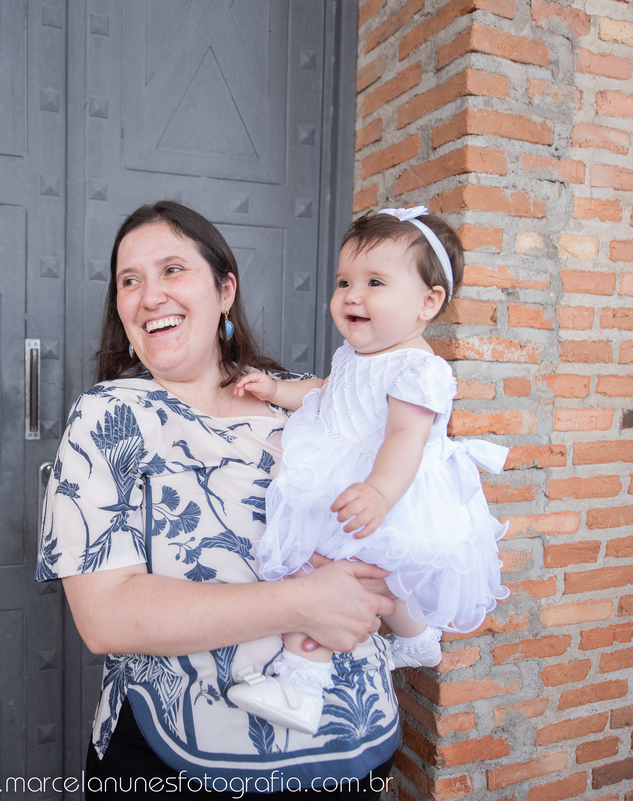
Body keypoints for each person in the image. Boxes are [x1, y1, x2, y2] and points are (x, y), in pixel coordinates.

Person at [36, 201, 400, 798]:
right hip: (178, 757)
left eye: (173, 270)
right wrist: (302, 603)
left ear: (224, 288)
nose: (150, 295)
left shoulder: (306, 406)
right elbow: (106, 617)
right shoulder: (109, 417)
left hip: (350, 746)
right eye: (130, 281)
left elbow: (390, 531)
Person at [225, 206, 510, 734]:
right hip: (355, 481)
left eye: (375, 282)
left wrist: (378, 493)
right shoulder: (357, 357)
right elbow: (329, 398)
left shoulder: (418, 367)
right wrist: (276, 391)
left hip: (390, 490)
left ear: (428, 302)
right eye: (344, 281)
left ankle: (301, 687)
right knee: (379, 579)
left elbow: (405, 437)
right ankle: (418, 639)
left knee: (318, 570)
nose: (352, 295)